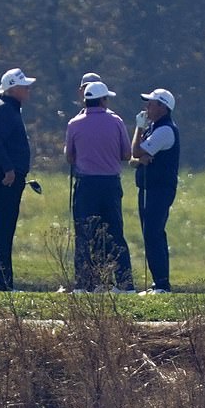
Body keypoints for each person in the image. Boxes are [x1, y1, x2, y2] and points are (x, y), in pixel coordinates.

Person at [64, 81, 134, 293]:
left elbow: (69, 157)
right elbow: (126, 154)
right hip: (110, 184)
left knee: (85, 234)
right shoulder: (116, 122)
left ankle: (84, 284)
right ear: (103, 100)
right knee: (114, 233)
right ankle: (124, 284)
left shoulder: (74, 124)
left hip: (86, 185)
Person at [0, 68, 35, 291]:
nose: (28, 89)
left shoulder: (8, 108)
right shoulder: (4, 109)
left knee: (4, 230)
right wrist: (8, 169)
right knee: (2, 230)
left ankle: (3, 282)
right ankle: (1, 283)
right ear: (13, 89)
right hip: (2, 178)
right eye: (24, 86)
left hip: (5, 177)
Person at [131, 88, 179, 295]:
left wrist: (138, 129)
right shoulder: (154, 127)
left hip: (159, 189)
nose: (147, 107)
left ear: (162, 107)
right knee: (149, 234)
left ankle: (162, 285)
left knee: (154, 234)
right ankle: (157, 284)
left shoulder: (165, 130)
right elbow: (134, 159)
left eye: (151, 103)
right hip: (148, 189)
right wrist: (139, 159)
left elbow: (135, 151)